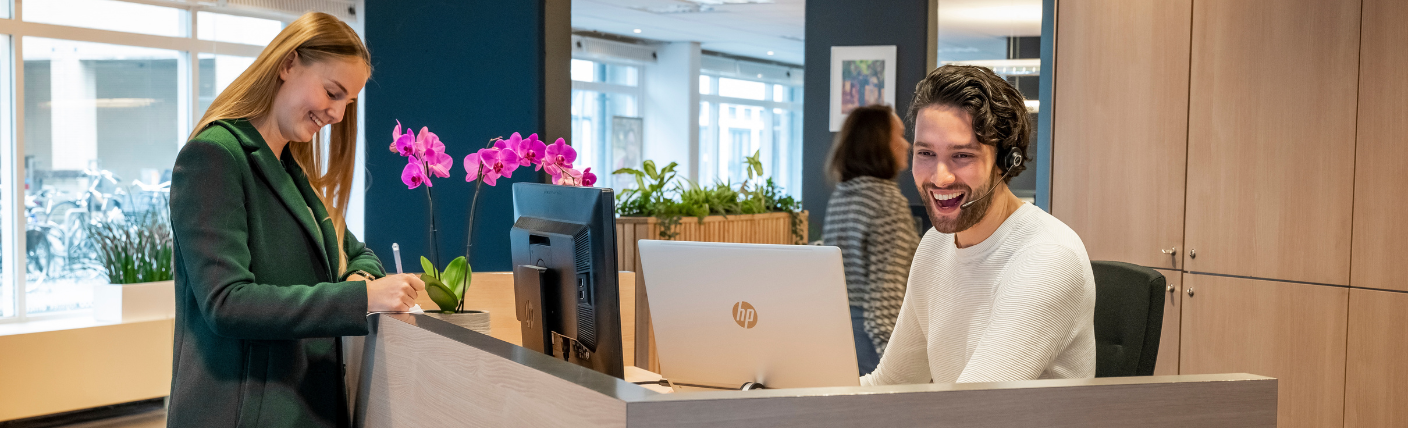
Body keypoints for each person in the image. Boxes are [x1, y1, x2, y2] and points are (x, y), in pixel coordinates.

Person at [167, 12, 425, 427]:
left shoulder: (290, 169)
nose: (338, 115)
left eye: (348, 102)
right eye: (332, 92)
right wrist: (363, 299)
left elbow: (355, 252)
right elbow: (226, 303)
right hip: (244, 413)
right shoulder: (214, 156)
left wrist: (359, 279)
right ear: (288, 64)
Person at [861, 65, 1096, 386]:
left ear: (1007, 161)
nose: (939, 176)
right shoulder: (934, 244)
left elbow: (971, 411)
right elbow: (891, 385)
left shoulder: (1048, 258)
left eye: (962, 155)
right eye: (926, 153)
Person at [822, 105, 921, 375]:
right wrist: (898, 366)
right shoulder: (888, 203)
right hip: (873, 339)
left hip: (839, 330)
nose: (908, 144)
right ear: (879, 143)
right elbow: (885, 295)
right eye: (899, 135)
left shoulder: (841, 196)